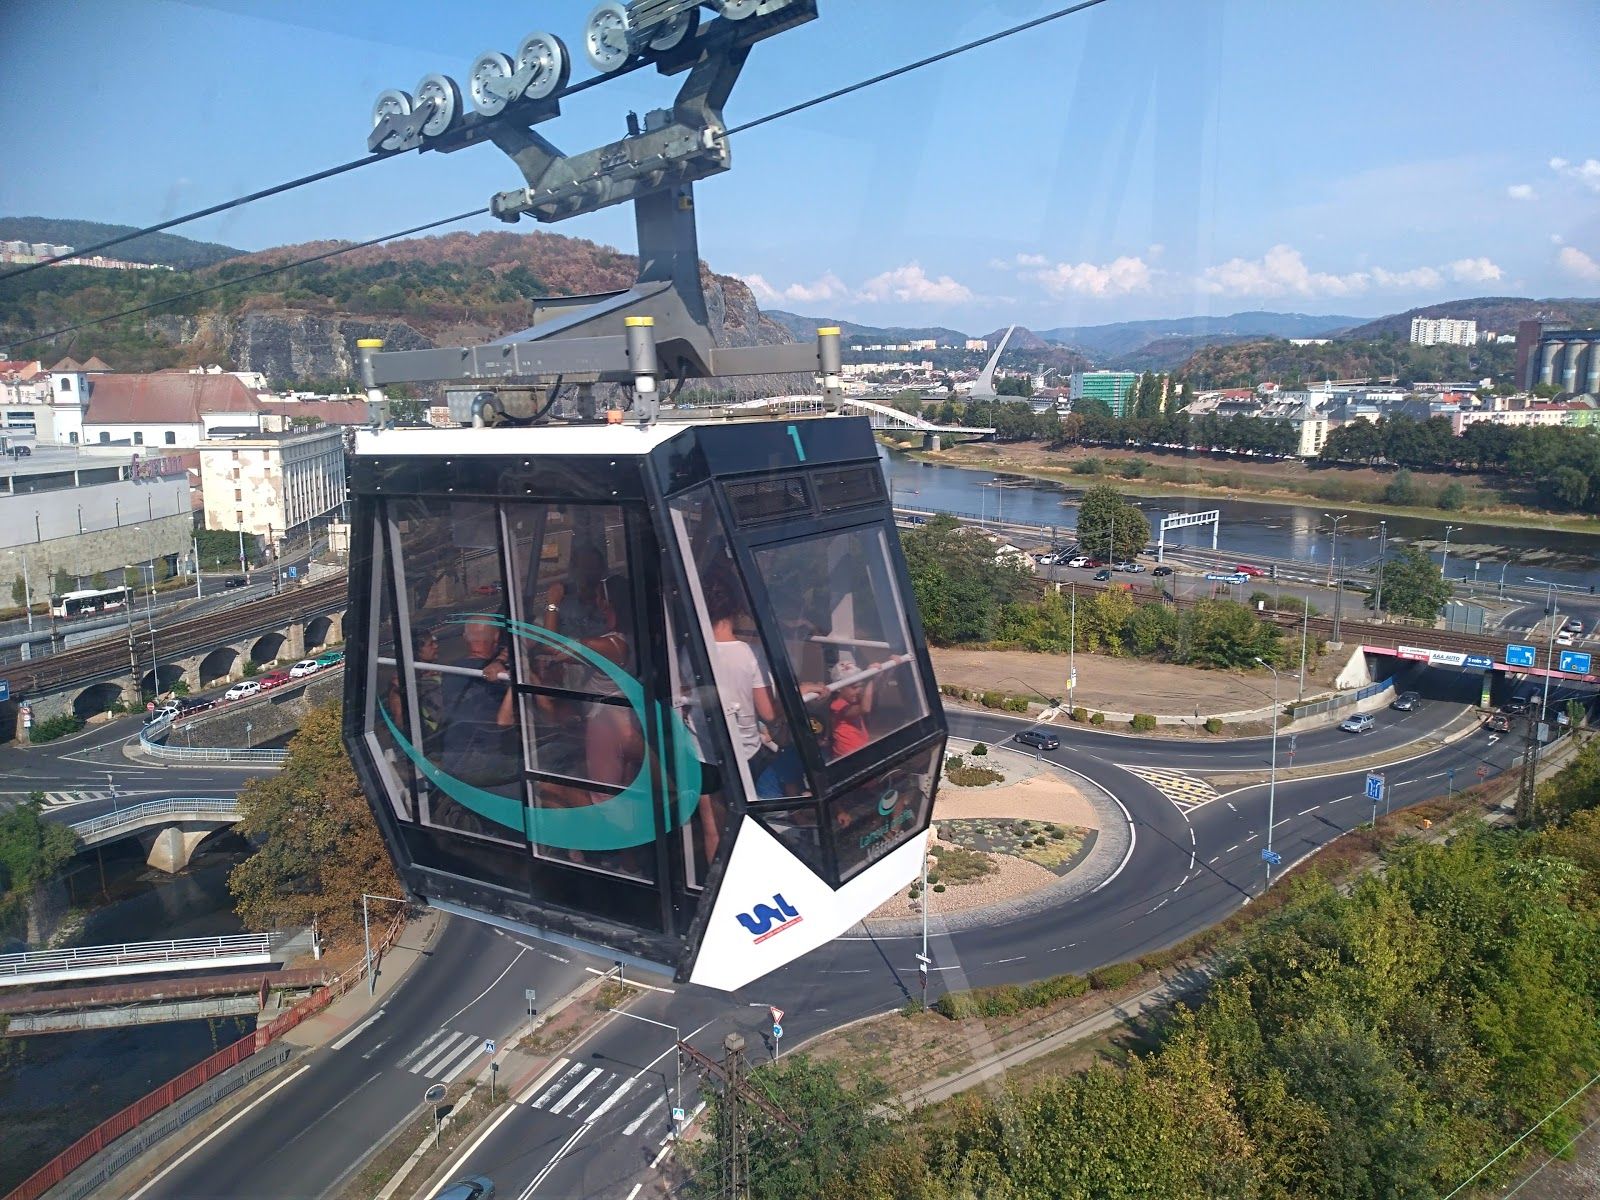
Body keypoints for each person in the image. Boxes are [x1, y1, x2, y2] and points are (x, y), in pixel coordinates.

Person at [827, 655, 874, 758]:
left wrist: (880, 672)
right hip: (847, 757)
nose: (859, 691)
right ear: (839, 688)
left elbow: (873, 693)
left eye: (860, 686)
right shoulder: (837, 706)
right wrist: (870, 678)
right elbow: (865, 708)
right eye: (854, 687)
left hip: (860, 751)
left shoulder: (853, 700)